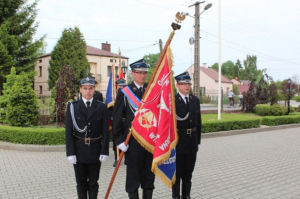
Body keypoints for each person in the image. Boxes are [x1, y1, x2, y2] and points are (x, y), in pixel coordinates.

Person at [113, 59, 155, 199]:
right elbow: (117, 119)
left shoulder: (151, 90)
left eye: (145, 73)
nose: (142, 76)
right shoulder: (125, 92)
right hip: (133, 142)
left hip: (149, 142)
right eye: (139, 73)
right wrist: (119, 141)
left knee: (149, 178)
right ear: (132, 73)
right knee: (133, 178)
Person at [65, 76, 109, 199]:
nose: (88, 91)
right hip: (79, 151)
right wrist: (70, 153)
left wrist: (104, 151)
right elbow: (68, 132)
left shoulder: (101, 107)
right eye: (85, 88)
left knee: (93, 183)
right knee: (81, 183)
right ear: (80, 89)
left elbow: (105, 131)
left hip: (95, 150)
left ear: (94, 89)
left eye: (90, 88)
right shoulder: (72, 107)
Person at [172, 72, 202, 199]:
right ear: (177, 85)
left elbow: (198, 121)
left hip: (192, 142)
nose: (187, 86)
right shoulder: (172, 100)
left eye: (188, 83)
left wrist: (198, 140)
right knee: (177, 174)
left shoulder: (195, 100)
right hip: (179, 142)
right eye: (184, 83)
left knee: (188, 173)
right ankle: (176, 197)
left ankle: (186, 196)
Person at [110, 78, 127, 167]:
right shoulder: (113, 95)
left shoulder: (128, 94)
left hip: (125, 122)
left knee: (126, 140)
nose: (121, 87)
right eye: (119, 85)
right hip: (116, 122)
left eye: (122, 85)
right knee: (116, 141)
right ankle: (117, 158)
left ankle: (126, 158)